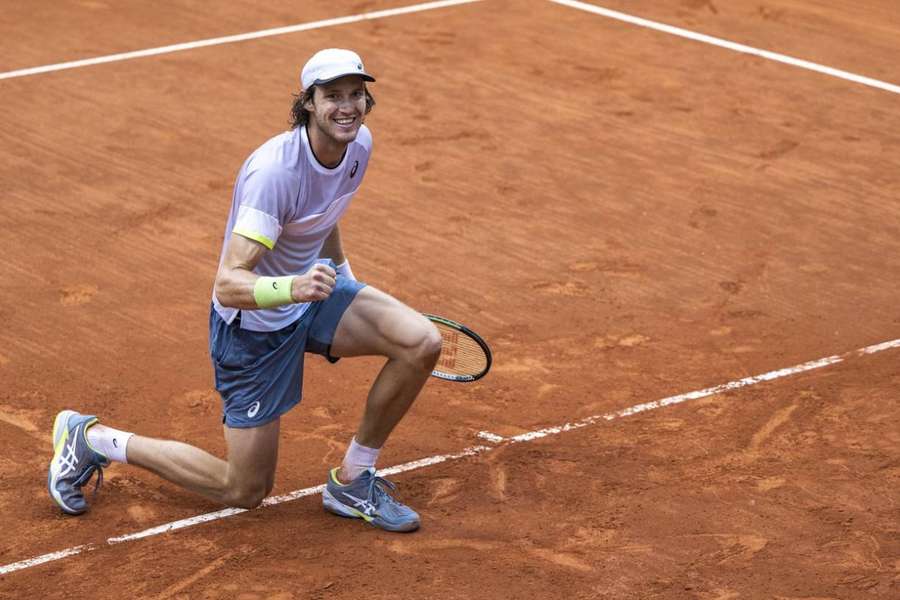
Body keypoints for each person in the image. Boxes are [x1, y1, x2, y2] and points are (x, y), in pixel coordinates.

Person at [47, 48, 441, 533]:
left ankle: (352, 481)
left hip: (311, 297)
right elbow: (229, 284)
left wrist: (343, 274)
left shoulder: (358, 146)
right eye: (332, 96)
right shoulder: (275, 173)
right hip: (253, 326)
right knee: (244, 489)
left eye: (356, 94)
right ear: (309, 105)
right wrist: (296, 286)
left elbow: (326, 211)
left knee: (421, 341)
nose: (347, 107)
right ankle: (93, 438)